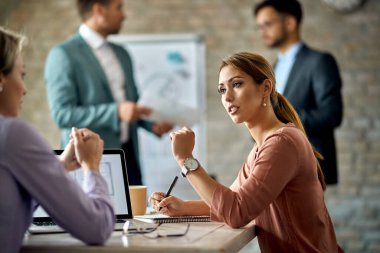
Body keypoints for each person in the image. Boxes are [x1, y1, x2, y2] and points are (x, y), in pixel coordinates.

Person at [150, 52, 344, 252]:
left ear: (266, 88)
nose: (227, 97)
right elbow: (231, 199)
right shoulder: (263, 146)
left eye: (237, 84)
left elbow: (236, 213)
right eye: (222, 89)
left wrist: (186, 160)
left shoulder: (282, 143)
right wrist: (182, 208)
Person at [0, 26, 115, 253]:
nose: (24, 89)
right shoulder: (12, 133)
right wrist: (91, 166)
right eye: (21, 75)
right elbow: (98, 227)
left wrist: (58, 167)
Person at [44, 0, 172, 185]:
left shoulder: (122, 53)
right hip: (87, 163)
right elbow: (62, 114)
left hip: (129, 158)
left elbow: (132, 103)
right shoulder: (63, 55)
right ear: (99, 10)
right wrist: (116, 112)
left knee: (134, 214)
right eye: (118, 7)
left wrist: (150, 124)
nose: (124, 15)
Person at [253, 0, 343, 185]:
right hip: (274, 165)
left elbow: (332, 114)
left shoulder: (319, 61)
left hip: (308, 166)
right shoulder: (272, 67)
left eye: (267, 24)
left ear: (290, 23)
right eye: (259, 26)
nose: (262, 31)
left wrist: (280, 121)